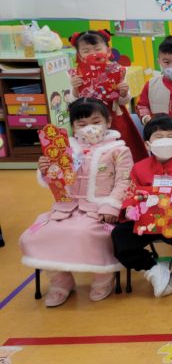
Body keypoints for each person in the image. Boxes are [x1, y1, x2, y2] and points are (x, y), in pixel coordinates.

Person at [19, 98, 132, 307]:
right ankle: (61, 281)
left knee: (85, 233)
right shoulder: (63, 148)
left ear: (108, 122)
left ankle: (103, 278)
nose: (89, 127)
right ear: (73, 126)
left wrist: (111, 206)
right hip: (66, 209)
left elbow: (125, 181)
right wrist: (45, 170)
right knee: (34, 236)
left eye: (96, 122)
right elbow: (55, 182)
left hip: (99, 211)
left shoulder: (119, 150)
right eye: (82, 123)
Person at [111, 114, 172, 297]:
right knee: (119, 236)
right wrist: (130, 208)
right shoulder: (139, 168)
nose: (165, 141)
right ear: (148, 144)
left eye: (170, 136)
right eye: (159, 137)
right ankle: (152, 268)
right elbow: (131, 192)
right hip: (146, 222)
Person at [68, 30, 147, 162]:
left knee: (123, 146)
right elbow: (72, 102)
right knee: (90, 153)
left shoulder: (118, 70)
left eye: (97, 49)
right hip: (87, 118)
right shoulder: (75, 74)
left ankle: (127, 170)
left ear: (108, 51)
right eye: (86, 51)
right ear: (79, 55)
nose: (93, 54)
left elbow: (123, 101)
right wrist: (75, 89)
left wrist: (123, 92)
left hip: (114, 116)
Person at [136, 36, 172, 125]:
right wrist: (147, 119)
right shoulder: (151, 84)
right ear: (159, 62)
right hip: (157, 131)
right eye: (166, 62)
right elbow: (142, 105)